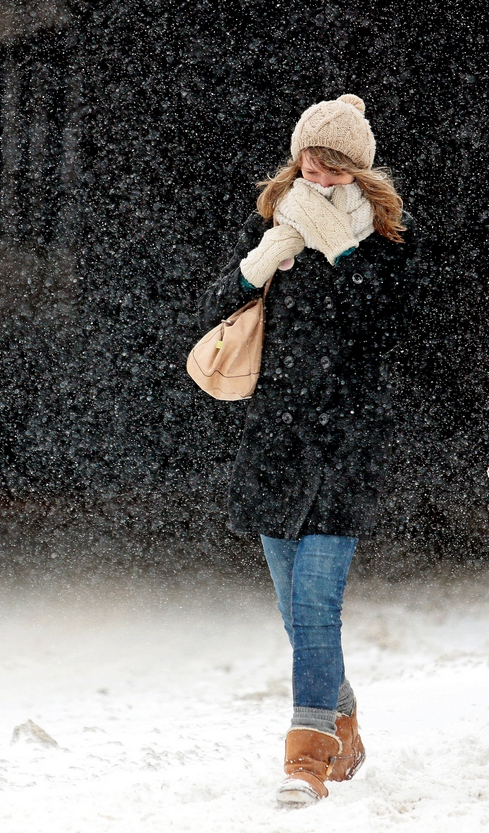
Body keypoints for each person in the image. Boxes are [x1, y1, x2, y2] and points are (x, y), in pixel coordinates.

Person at [197, 94, 414, 804]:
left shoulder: (384, 239)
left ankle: (308, 756)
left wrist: (339, 247)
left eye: (334, 162)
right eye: (311, 157)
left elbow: (384, 329)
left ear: (358, 169)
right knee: (297, 615)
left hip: (348, 441)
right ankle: (342, 717)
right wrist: (263, 259)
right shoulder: (272, 223)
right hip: (277, 442)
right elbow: (211, 312)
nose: (318, 170)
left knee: (318, 606)